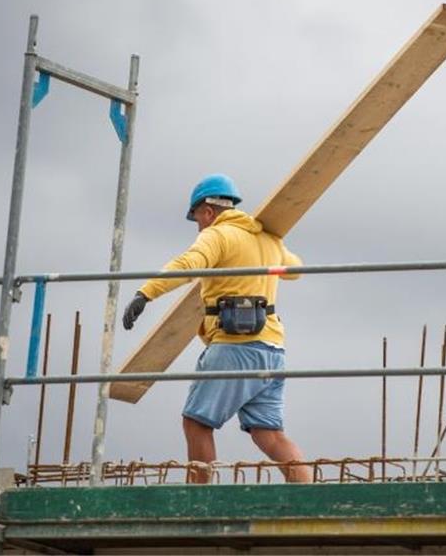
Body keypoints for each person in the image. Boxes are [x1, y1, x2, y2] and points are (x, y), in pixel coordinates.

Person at [122, 173, 312, 483]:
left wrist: (146, 293)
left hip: (234, 347)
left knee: (196, 423)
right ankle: (309, 495)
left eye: (196, 217)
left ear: (208, 211)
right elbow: (296, 270)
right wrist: (269, 248)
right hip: (272, 351)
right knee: (270, 434)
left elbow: (189, 264)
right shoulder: (267, 239)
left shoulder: (218, 234)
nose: (197, 225)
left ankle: (200, 499)